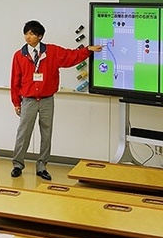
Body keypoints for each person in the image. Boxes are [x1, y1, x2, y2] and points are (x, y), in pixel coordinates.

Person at [10, 20, 102, 180]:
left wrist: (87, 50)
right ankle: (18, 164)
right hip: (29, 100)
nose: (27, 37)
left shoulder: (51, 51)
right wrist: (16, 102)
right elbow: (15, 81)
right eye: (26, 33)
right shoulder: (19, 55)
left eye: (31, 34)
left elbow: (70, 56)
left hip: (47, 100)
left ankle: (42, 166)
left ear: (40, 36)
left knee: (46, 133)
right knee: (23, 133)